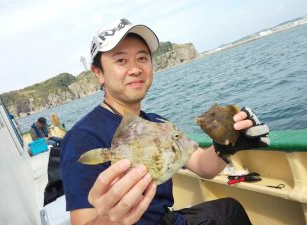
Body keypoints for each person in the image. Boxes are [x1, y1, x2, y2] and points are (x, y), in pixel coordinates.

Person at [60, 18, 270, 225]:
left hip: (167, 219)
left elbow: (201, 165)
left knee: (229, 209)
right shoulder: (82, 138)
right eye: (121, 60)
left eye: (142, 58)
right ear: (99, 73)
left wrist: (226, 145)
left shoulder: (154, 123)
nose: (135, 69)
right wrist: (110, 221)